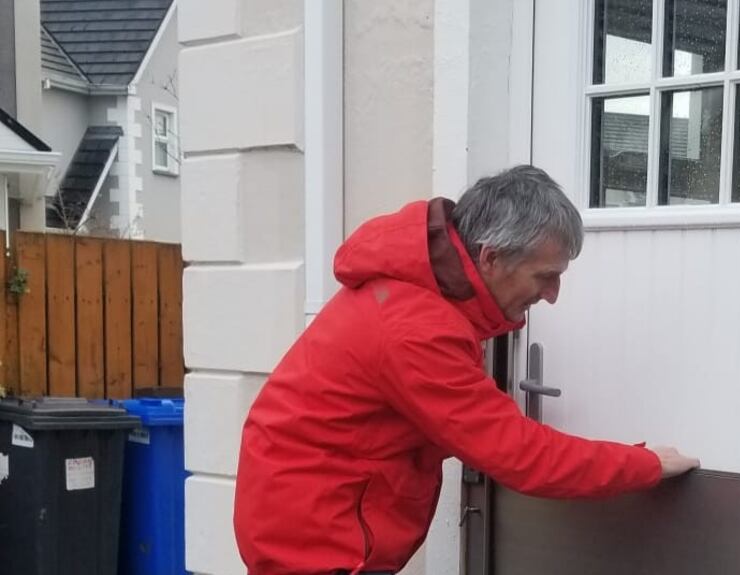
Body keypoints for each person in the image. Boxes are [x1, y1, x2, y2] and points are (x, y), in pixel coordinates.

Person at [233, 165, 700, 575]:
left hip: (316, 523)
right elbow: (520, 455)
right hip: (318, 541)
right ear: (490, 257)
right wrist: (647, 464)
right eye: (545, 276)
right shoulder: (416, 328)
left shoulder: (428, 299)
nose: (553, 294)